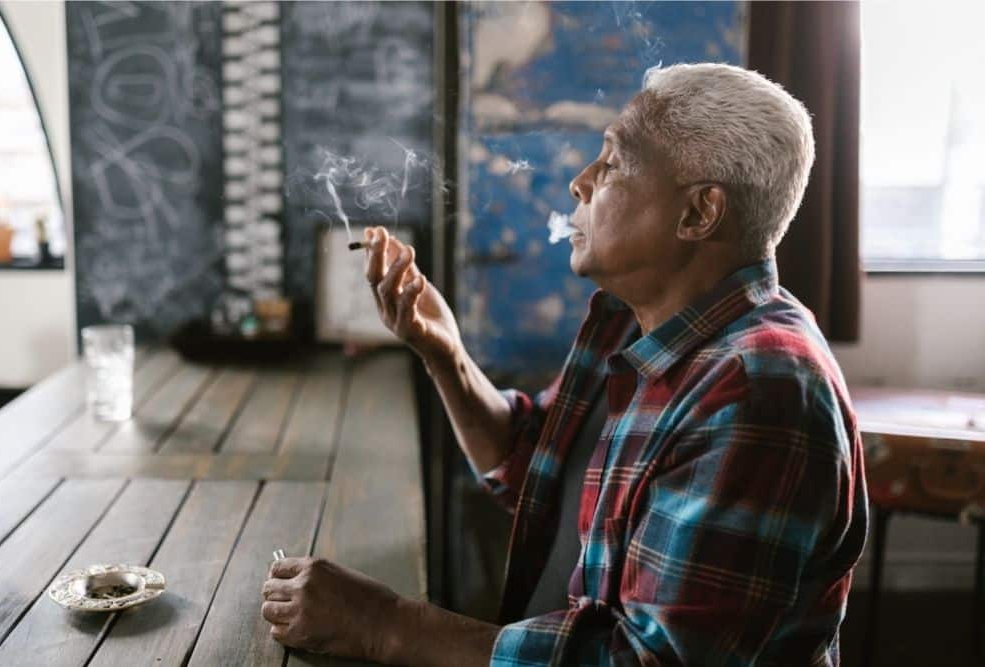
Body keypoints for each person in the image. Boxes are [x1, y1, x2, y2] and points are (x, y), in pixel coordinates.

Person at [261, 63, 868, 666]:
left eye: (613, 162)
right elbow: (535, 472)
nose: (580, 182)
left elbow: (643, 663)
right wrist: (443, 353)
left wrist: (384, 625)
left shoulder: (757, 389)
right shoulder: (631, 321)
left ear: (699, 214)